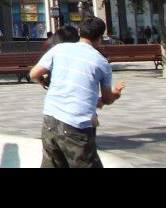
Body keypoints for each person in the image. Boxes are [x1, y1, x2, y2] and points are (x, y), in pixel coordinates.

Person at [29, 16, 124, 168]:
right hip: (77, 126)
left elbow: (34, 74)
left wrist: (43, 82)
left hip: (50, 120)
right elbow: (106, 99)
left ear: (79, 31)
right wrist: (115, 95)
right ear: (100, 38)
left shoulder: (59, 49)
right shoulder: (101, 63)